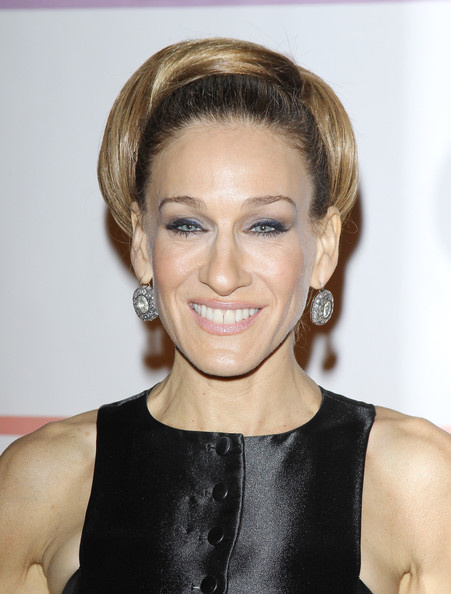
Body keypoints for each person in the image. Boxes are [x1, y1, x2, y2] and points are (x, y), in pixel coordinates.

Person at [0, 38, 450, 594]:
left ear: (325, 247)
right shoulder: (40, 480)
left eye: (265, 226)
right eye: (187, 225)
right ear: (142, 244)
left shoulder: (419, 483)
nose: (222, 273)